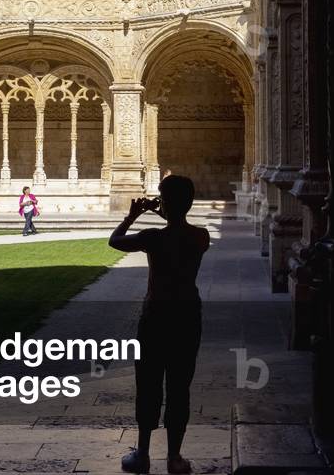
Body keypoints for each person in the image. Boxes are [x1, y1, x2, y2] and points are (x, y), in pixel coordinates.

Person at [108, 174, 210, 475]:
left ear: (164, 202)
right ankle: (175, 457)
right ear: (189, 203)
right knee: (180, 386)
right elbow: (178, 221)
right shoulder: (200, 237)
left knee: (149, 384)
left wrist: (133, 216)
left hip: (156, 317)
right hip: (188, 316)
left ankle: (142, 453)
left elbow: (114, 241)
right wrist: (165, 208)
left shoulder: (153, 238)